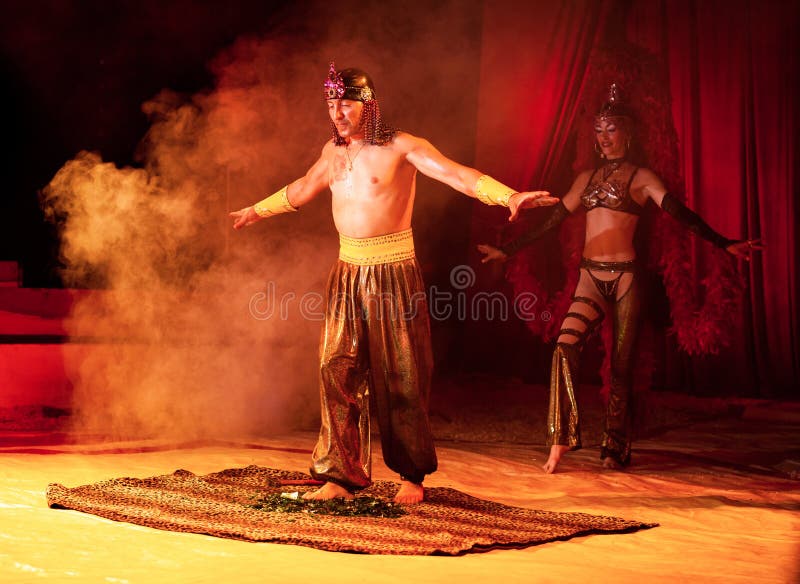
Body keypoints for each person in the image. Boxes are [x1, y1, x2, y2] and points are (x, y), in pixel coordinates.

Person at [230, 63, 558, 503]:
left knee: (402, 374)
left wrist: (508, 196)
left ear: (369, 104)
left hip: (392, 270)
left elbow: (456, 174)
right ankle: (341, 476)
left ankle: (411, 475)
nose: (337, 112)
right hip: (347, 272)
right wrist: (258, 209)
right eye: (331, 103)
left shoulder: (403, 146)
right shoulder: (333, 153)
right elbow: (304, 187)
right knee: (334, 368)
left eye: (345, 102)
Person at [478, 84, 761, 474]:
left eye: (612, 129)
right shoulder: (585, 179)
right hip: (590, 278)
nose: (604, 137)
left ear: (627, 133)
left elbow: (681, 214)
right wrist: (507, 251)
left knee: (622, 368)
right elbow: (553, 221)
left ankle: (615, 447)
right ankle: (560, 438)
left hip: (627, 278)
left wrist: (723, 242)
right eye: (599, 130)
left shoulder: (642, 177)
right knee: (563, 348)